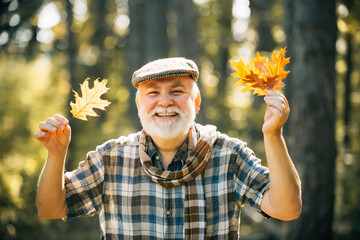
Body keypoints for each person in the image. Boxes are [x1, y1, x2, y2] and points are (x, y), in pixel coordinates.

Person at [34, 57, 301, 239]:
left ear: (195, 102)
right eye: (152, 92)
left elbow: (287, 208)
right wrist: (56, 155)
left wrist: (273, 134)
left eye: (177, 91)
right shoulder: (109, 159)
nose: (164, 102)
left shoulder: (229, 156)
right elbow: (51, 209)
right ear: (139, 105)